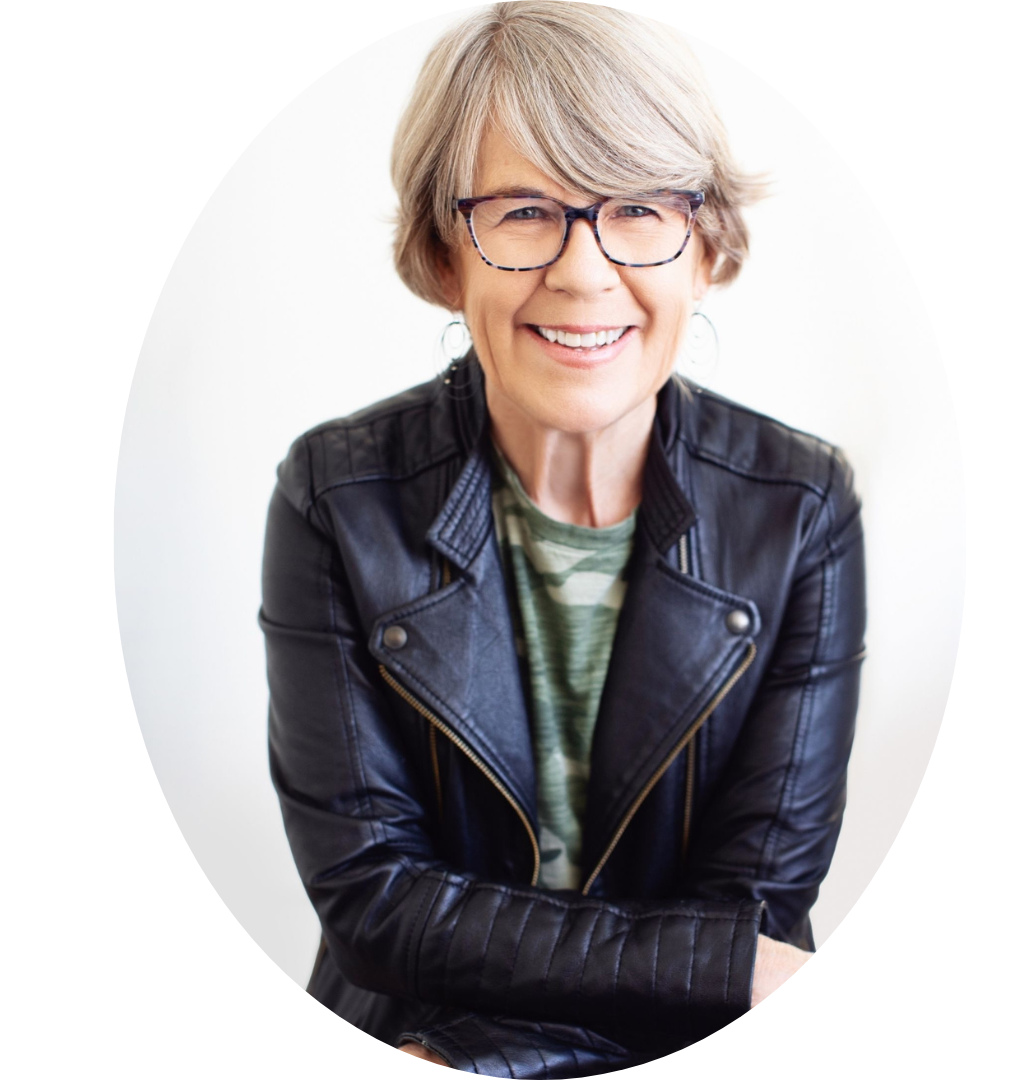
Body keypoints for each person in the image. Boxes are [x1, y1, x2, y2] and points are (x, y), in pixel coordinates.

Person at [260, 4, 865, 1074]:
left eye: (637, 209)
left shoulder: (803, 508)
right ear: (447, 256)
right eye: (527, 211)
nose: (584, 273)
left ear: (707, 249)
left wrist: (499, 1063)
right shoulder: (334, 497)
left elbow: (751, 915)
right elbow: (379, 908)